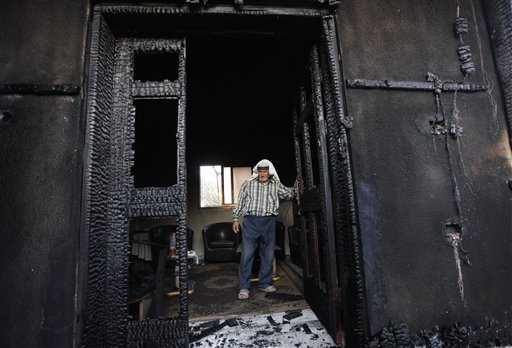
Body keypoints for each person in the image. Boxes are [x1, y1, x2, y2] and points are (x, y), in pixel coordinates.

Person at [232, 159, 297, 300]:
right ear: (257, 171)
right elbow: (240, 202)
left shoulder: (275, 184)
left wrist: (295, 188)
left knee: (267, 254)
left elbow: (288, 194)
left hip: (269, 222)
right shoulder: (248, 184)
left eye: (265, 171)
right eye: (260, 171)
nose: (262, 174)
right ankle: (244, 287)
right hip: (251, 222)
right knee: (247, 254)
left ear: (269, 172)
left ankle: (265, 283)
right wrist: (236, 219)